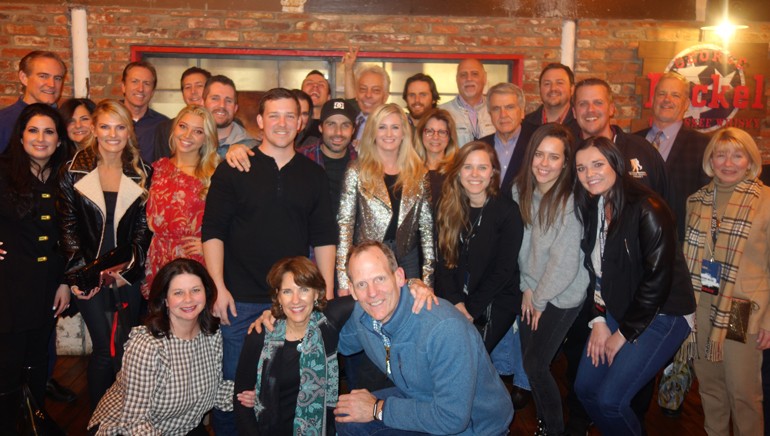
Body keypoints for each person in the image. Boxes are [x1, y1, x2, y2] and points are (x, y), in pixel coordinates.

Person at [202, 87, 337, 435]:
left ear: (300, 121)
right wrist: (217, 287)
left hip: (294, 303)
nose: (282, 123)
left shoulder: (313, 175)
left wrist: (326, 294)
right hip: (239, 300)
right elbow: (213, 231)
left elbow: (324, 238)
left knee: (283, 392)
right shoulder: (233, 168)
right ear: (260, 121)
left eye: (290, 115)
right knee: (236, 391)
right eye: (273, 115)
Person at [572, 136, 694, 436]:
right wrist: (599, 319)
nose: (590, 174)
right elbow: (595, 270)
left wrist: (623, 334)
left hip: (663, 314)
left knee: (611, 401)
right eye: (581, 168)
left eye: (597, 164)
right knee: (585, 389)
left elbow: (658, 281)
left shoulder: (649, 207)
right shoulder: (594, 205)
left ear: (616, 163)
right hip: (618, 308)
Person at [334, 240, 513, 435]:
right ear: (352, 290)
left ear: (399, 276)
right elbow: (341, 344)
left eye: (380, 279)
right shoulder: (363, 314)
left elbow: (452, 419)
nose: (372, 293)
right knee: (347, 417)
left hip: (475, 425)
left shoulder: (444, 329)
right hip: (419, 396)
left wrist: (377, 409)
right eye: (362, 284)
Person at [57, 99, 152, 410]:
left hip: (126, 277)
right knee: (103, 348)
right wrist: (80, 277)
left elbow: (143, 231)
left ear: (129, 131)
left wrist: (128, 273)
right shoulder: (72, 172)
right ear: (94, 130)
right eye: (106, 126)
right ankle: (99, 419)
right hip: (89, 277)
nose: (113, 134)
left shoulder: (142, 173)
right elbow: (68, 228)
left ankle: (124, 415)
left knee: (127, 347)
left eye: (120, 126)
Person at [680, 127, 770, 436]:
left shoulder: (766, 201)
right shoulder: (696, 200)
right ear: (711, 160)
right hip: (702, 306)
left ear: (750, 160)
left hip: (742, 310)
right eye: (721, 154)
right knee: (710, 389)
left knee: (743, 394)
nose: (728, 163)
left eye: (737, 154)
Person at [88, 258, 233, 435]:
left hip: (179, 427)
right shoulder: (148, 345)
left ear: (207, 293)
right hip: (127, 429)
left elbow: (215, 393)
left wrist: (250, 393)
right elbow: (134, 422)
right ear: (165, 300)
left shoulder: (212, 335)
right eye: (178, 293)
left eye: (195, 290)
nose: (188, 299)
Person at [0, 104, 73, 429]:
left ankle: (32, 420)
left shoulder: (63, 178)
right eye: (33, 130)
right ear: (21, 135)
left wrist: (64, 282)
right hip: (7, 286)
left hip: (46, 286)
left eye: (49, 131)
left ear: (59, 140)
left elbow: (68, 238)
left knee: (38, 360)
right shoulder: (2, 170)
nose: (40, 138)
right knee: (7, 363)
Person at [513, 123, 588, 435]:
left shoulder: (569, 201)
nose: (544, 163)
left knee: (535, 365)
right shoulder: (521, 191)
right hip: (532, 289)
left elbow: (564, 262)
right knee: (532, 365)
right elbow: (519, 248)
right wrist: (527, 288)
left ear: (566, 162)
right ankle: (545, 424)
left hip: (564, 293)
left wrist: (539, 297)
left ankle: (554, 429)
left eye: (554, 157)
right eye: (539, 155)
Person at [234, 256, 354, 435]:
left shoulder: (327, 323)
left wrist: (410, 284)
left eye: (304, 289)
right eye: (287, 291)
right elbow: (241, 402)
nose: (295, 300)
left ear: (316, 293)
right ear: (278, 297)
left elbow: (373, 293)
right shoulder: (260, 335)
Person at [336, 102, 434, 294]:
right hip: (367, 258)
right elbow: (345, 226)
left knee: (409, 315)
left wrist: (428, 281)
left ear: (404, 132)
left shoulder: (419, 172)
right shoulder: (356, 170)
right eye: (382, 127)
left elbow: (427, 230)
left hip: (407, 259)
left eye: (395, 127)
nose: (389, 134)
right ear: (373, 132)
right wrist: (343, 279)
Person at [435, 140, 522, 353]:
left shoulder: (507, 211)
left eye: (482, 167)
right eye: (468, 167)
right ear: (458, 172)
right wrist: (456, 303)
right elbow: (443, 262)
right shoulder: (447, 206)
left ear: (492, 172)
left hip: (495, 298)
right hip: (455, 296)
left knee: (468, 353)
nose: (475, 174)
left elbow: (503, 270)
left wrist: (470, 309)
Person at [143, 105, 219, 298]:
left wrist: (208, 246)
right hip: (158, 259)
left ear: (206, 138)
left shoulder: (214, 175)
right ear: (174, 128)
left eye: (198, 131)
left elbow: (231, 223)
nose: (187, 135)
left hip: (194, 261)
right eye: (183, 126)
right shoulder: (156, 169)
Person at [634, 71, 710, 241]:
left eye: (675, 95)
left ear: (686, 104)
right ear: (653, 100)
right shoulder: (632, 141)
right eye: (662, 94)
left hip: (678, 241)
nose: (667, 99)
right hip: (634, 239)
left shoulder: (703, 145)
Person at [297, 98, 358, 214]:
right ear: (320, 128)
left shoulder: (363, 163)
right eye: (331, 124)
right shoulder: (301, 158)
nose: (338, 132)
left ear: (353, 130)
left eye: (345, 125)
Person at [0, 51, 66, 153]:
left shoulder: (68, 122)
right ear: (24, 78)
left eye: (57, 78)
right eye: (43, 76)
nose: (52, 84)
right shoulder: (3, 121)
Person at [480, 82, 536, 193]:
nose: (503, 115)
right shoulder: (480, 146)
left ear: (522, 112)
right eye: (496, 109)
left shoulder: (537, 143)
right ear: (490, 114)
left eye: (509, 107)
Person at [151, 67, 212, 161]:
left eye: (199, 86)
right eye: (187, 87)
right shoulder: (165, 128)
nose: (193, 91)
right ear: (183, 94)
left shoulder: (220, 124)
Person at [120, 61, 168, 163]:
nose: (140, 89)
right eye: (135, 81)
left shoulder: (164, 125)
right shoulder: (107, 121)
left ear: (153, 91)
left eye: (147, 83)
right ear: (123, 86)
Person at [439, 58, 495, 147]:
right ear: (456, 79)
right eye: (463, 75)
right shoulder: (441, 112)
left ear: (484, 78)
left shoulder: (496, 110)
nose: (469, 79)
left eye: (475, 74)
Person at [413, 108, 459, 208]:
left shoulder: (458, 171)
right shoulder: (409, 170)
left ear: (449, 137)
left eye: (442, 132)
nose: (435, 137)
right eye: (429, 131)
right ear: (421, 134)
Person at [523, 63, 580, 138]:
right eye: (547, 84)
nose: (553, 88)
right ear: (540, 89)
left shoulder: (581, 124)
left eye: (559, 83)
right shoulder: (524, 125)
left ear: (572, 89)